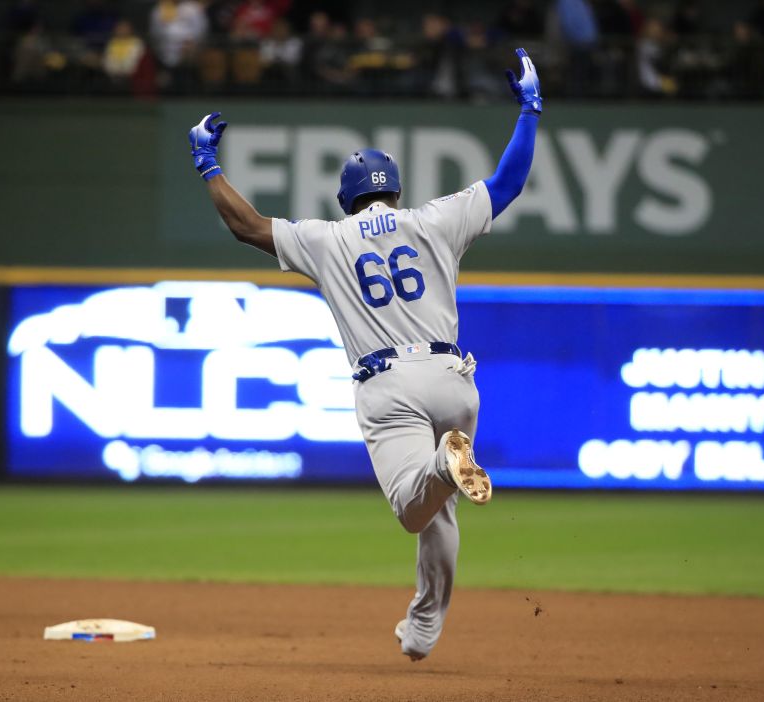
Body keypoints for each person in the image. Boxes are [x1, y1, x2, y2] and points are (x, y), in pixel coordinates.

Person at [189, 47, 542, 658]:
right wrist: (531, 110)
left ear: (346, 199)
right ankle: (423, 626)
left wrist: (207, 164)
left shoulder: (325, 240)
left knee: (414, 507)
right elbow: (508, 182)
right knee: (438, 515)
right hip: (452, 375)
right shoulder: (436, 220)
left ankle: (440, 465)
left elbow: (247, 226)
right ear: (395, 193)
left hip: (388, 384)